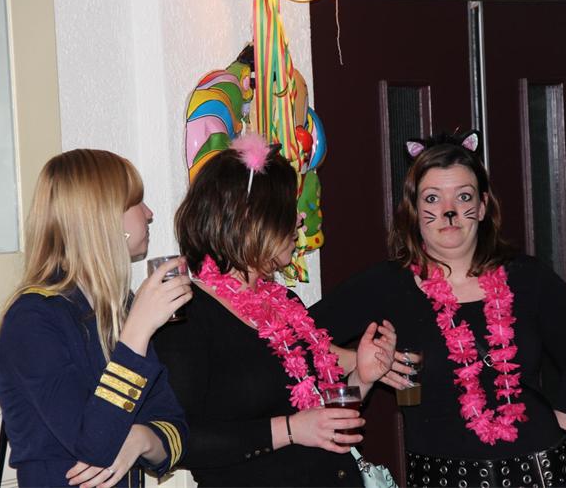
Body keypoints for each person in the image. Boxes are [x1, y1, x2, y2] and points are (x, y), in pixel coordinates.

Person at [309, 131, 566, 488]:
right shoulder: (386, 284)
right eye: (433, 198)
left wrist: (557, 436)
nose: (449, 211)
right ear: (415, 210)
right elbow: (296, 338)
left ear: (482, 206)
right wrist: (363, 364)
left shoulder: (529, 278)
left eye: (463, 197)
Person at [152, 135, 399, 487]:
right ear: (252, 218)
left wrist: (363, 377)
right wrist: (289, 429)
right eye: (289, 209)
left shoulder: (286, 303)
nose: (300, 220)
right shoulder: (187, 314)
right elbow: (180, 441)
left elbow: (322, 420)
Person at [0, 149, 192, 487]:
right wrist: (137, 332)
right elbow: (94, 446)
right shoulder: (33, 319)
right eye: (136, 203)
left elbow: (177, 431)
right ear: (103, 218)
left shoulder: (116, 306)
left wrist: (140, 439)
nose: (149, 213)